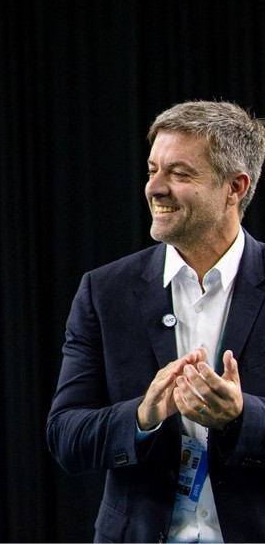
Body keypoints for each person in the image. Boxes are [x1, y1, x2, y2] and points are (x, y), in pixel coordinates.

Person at [46, 100, 265, 542]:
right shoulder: (104, 291)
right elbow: (66, 436)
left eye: (180, 174)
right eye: (152, 170)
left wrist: (243, 417)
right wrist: (143, 416)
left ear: (235, 187)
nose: (155, 188)